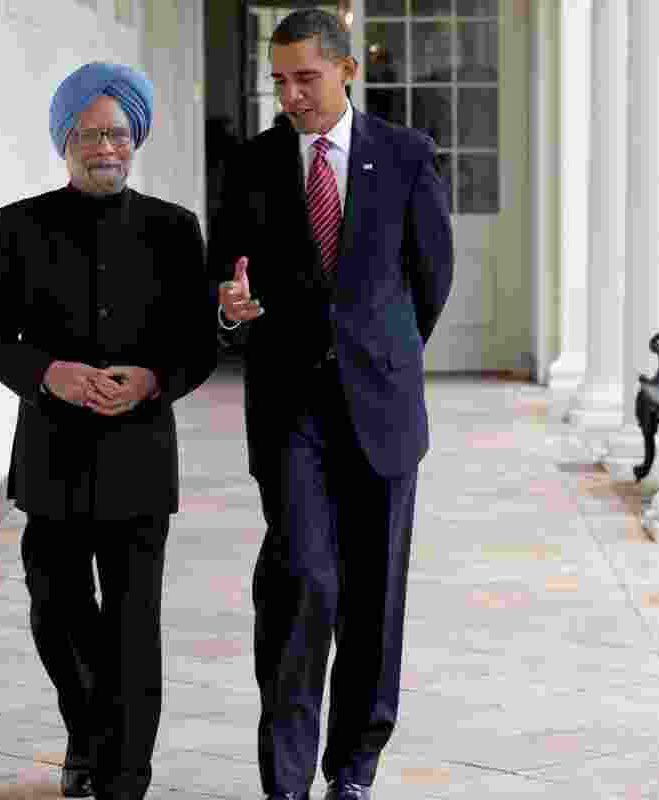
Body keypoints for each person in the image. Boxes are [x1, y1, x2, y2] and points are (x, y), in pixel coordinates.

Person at [209, 10, 454, 800]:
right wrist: (230, 310)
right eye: (278, 81)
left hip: (380, 409)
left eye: (304, 78)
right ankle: (285, 780)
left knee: (375, 599)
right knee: (302, 582)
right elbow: (224, 276)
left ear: (345, 69)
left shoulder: (408, 157)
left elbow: (430, 280)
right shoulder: (249, 164)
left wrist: (378, 353)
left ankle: (353, 770)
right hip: (290, 412)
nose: (290, 95)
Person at [0, 62, 216, 800]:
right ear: (64, 142)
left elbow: (197, 346)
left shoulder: (175, 229)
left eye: (116, 132)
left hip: (140, 459)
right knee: (57, 611)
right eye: (88, 133)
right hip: (52, 457)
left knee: (134, 630)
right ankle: (87, 731)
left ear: (135, 137)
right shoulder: (19, 225)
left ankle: (122, 778)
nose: (105, 145)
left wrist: (149, 380)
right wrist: (49, 373)